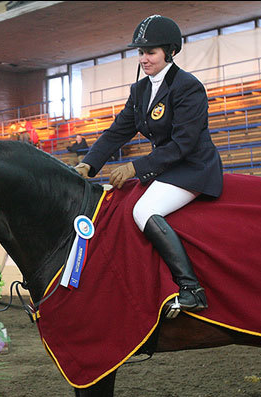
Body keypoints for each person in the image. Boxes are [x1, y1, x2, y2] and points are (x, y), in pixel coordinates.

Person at [74, 15, 223, 317]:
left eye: (150, 52)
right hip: (167, 168)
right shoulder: (140, 90)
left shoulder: (188, 87)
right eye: (140, 52)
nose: (143, 58)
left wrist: (134, 168)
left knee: (143, 211)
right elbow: (117, 132)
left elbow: (184, 144)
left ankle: (191, 288)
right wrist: (87, 165)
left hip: (193, 168)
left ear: (169, 51)